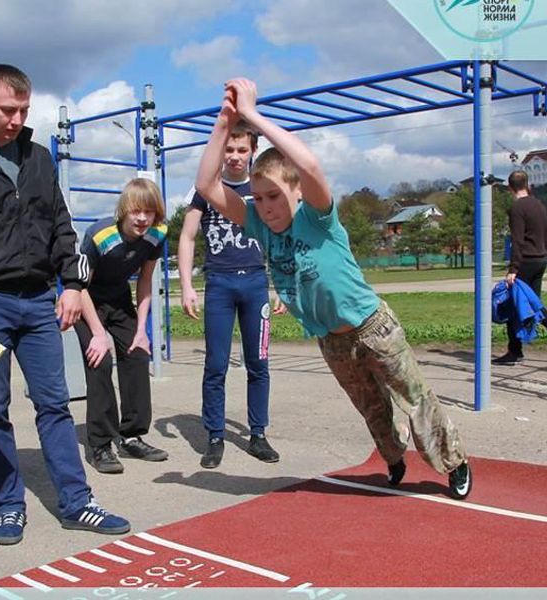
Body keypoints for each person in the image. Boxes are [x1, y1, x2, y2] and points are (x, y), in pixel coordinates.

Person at [194, 78, 473, 500]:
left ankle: (453, 463)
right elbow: (205, 186)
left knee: (415, 399)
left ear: (297, 192)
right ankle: (393, 458)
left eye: (274, 196)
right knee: (372, 408)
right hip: (333, 340)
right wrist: (224, 122)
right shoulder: (258, 225)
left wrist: (252, 117)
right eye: (259, 198)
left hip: (372, 328)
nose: (266, 207)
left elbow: (310, 167)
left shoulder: (318, 217)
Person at [0, 64, 130, 546]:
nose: (17, 118)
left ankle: (76, 501)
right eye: (7, 109)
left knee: (55, 405)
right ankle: (8, 505)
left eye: (24, 109)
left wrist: (70, 284)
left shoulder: (40, 158)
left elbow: (61, 225)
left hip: (42, 299)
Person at [178, 121, 279, 469]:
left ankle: (258, 434)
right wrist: (188, 286)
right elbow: (188, 236)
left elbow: (279, 235)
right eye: (229, 150)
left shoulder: (263, 189)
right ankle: (215, 435)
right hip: (219, 284)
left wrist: (279, 283)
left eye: (242, 150)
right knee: (216, 365)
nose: (235, 157)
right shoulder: (207, 190)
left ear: (252, 151)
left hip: (255, 284)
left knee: (259, 363)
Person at [76, 178, 169, 474]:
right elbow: (79, 287)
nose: (142, 218)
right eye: (136, 211)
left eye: (149, 211)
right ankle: (101, 445)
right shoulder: (99, 235)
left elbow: (144, 281)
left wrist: (142, 330)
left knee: (138, 355)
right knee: (99, 361)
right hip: (86, 302)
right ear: (123, 211)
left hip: (119, 299)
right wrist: (98, 333)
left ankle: (131, 435)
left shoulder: (157, 235)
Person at [492, 169, 547, 365]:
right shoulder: (539, 205)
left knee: (511, 304)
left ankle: (514, 352)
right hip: (540, 259)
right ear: (528, 185)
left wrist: (513, 269)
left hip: (525, 262)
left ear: (510, 187)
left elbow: (517, 241)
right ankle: (515, 350)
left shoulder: (517, 209)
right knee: (533, 304)